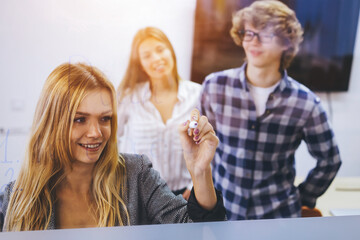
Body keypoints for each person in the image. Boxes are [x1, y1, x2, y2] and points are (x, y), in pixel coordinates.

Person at [0, 62, 225, 231]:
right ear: (52, 122)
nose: (96, 133)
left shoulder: (137, 175)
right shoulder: (15, 198)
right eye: (80, 119)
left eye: (105, 119)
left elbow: (200, 231)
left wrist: (200, 171)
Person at [199, 0, 341, 220]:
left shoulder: (306, 103)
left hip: (278, 217)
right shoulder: (214, 87)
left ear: (287, 42)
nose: (254, 42)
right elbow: (201, 148)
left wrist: (302, 198)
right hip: (223, 213)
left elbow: (330, 160)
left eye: (265, 34)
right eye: (249, 33)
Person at [117, 27, 202, 199]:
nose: (156, 58)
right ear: (140, 63)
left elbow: (212, 144)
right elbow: (111, 142)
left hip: (186, 195)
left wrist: (195, 186)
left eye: (160, 49)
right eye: (147, 55)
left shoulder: (198, 94)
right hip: (140, 195)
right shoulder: (128, 96)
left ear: (171, 50)